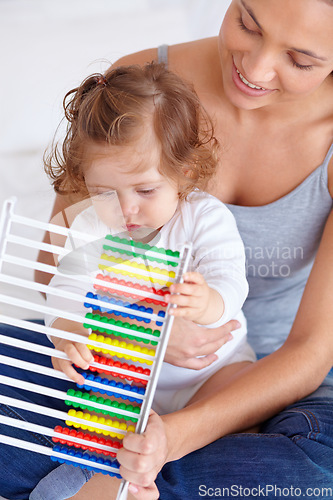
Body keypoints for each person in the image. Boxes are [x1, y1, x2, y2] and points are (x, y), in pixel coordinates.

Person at [0, 0, 332, 498]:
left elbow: (306, 352)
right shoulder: (128, 93)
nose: (257, 68)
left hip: (247, 377)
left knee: (317, 471)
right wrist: (131, 333)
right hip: (110, 363)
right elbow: (59, 275)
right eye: (247, 22)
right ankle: (134, 471)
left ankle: (99, 474)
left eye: (301, 60)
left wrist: (174, 435)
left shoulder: (204, 216)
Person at [43, 61, 255, 417]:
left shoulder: (205, 217)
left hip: (212, 369)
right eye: (104, 192)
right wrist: (67, 333)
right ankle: (132, 462)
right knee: (96, 417)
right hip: (131, 377)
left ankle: (190, 445)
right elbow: (66, 290)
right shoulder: (88, 226)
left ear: (182, 173)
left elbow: (232, 279)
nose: (126, 209)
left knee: (241, 401)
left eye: (145, 190)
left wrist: (208, 303)